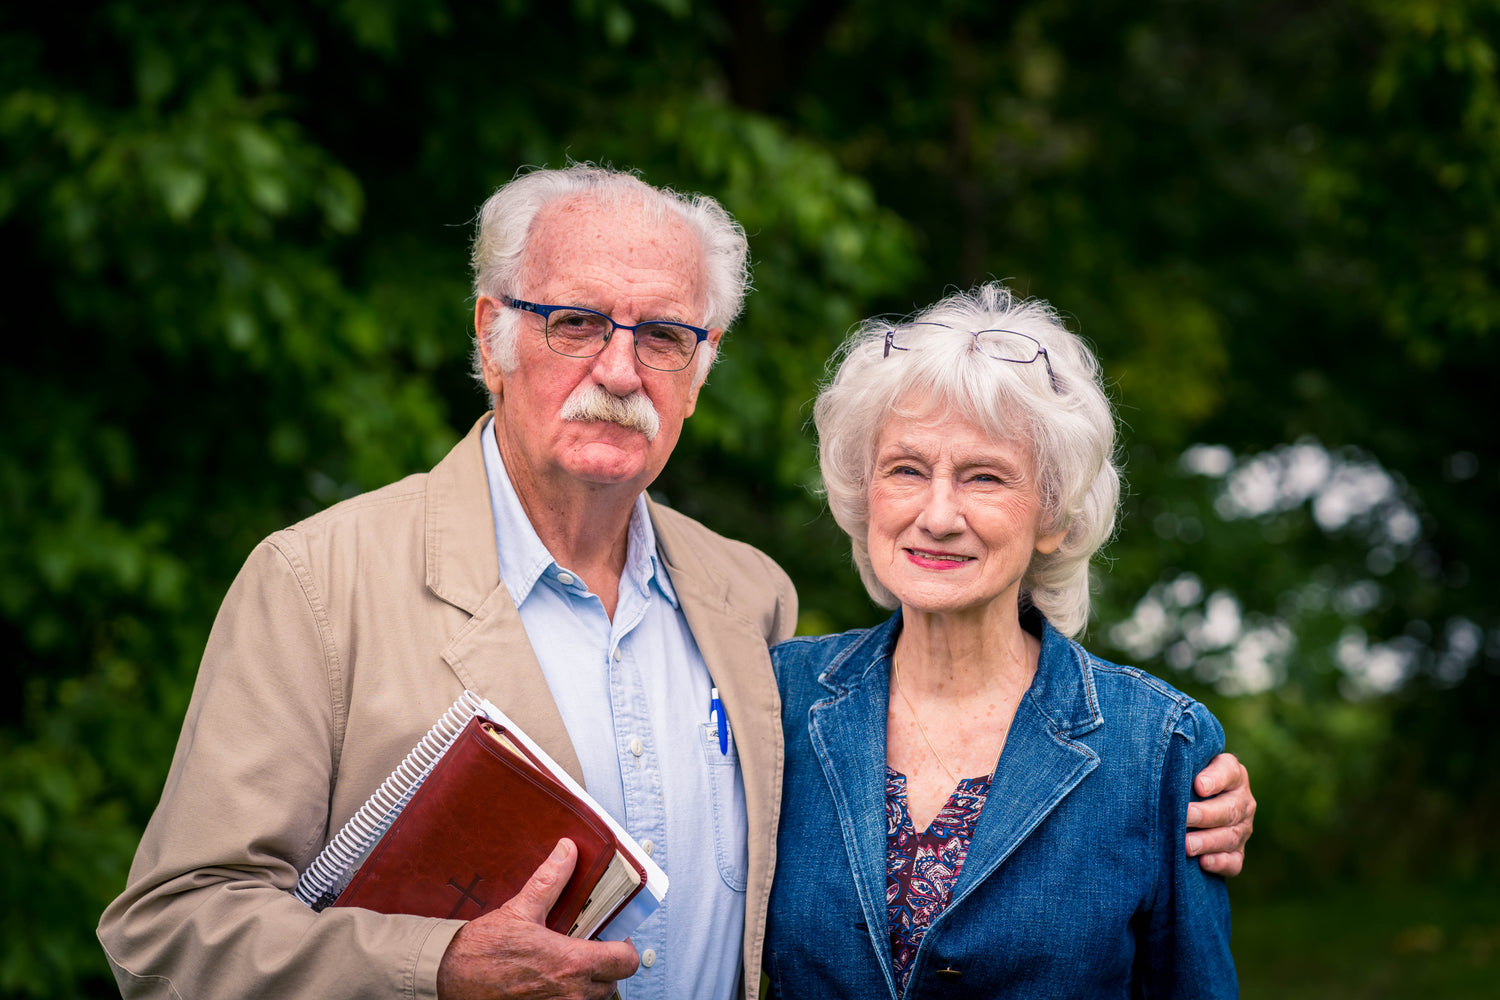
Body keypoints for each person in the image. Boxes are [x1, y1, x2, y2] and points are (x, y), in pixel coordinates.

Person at [98, 166, 1251, 1000]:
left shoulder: (748, 604)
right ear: (494, 333)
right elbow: (166, 930)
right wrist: (437, 966)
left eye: (663, 335)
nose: (618, 368)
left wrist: (1176, 792)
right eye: (576, 321)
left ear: (703, 368)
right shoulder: (319, 581)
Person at [765, 283, 1239, 998]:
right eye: (907, 470)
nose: (939, 513)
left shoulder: (1156, 748)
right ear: (865, 496)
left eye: (984, 477)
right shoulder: (774, 699)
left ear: (1054, 516)